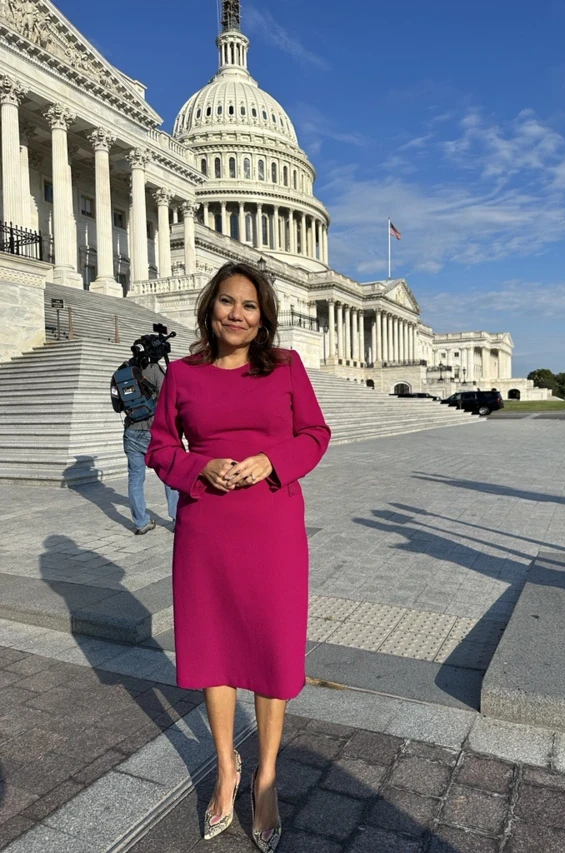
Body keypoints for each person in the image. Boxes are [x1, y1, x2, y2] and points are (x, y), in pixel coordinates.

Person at [146, 261, 330, 850]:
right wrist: (202, 467)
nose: (237, 314)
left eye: (249, 306)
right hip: (206, 529)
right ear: (211, 307)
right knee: (215, 649)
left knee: (271, 651)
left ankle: (267, 777)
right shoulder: (182, 374)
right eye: (227, 302)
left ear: (263, 316)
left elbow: (315, 434)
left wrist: (272, 461)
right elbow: (158, 447)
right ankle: (227, 768)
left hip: (273, 526)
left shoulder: (285, 367)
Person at [123, 361, 179, 535]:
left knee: (135, 479)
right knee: (169, 474)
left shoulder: (125, 370)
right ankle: (177, 518)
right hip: (152, 432)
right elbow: (168, 398)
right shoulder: (154, 370)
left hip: (131, 431)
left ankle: (141, 523)